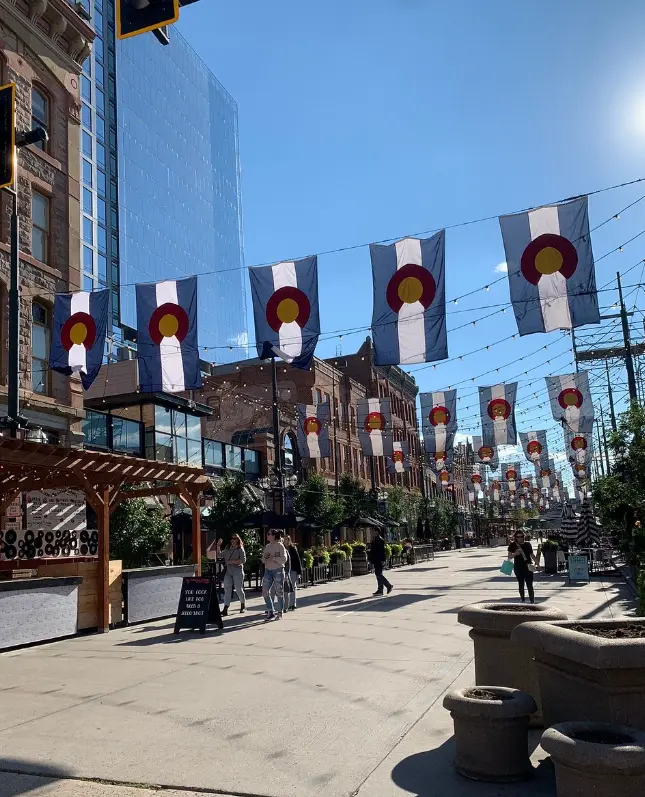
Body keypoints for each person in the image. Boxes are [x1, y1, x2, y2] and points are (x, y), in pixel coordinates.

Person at [217, 535, 247, 616]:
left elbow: (243, 560)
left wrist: (231, 561)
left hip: (238, 571)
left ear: (238, 540)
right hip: (229, 571)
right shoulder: (228, 549)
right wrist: (218, 546)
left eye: (234, 539)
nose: (232, 540)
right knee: (227, 589)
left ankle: (243, 605)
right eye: (231, 538)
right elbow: (219, 555)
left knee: (238, 589)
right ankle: (225, 608)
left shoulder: (240, 549)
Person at [262, 529, 288, 620]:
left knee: (279, 591)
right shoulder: (267, 546)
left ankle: (280, 612)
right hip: (268, 570)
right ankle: (270, 611)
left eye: (269, 534)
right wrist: (266, 557)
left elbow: (284, 559)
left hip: (278, 570)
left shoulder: (280, 545)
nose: (267, 535)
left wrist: (274, 558)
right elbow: (263, 559)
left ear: (273, 536)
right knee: (265, 591)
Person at [508, 530, 537, 603]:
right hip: (518, 567)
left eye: (521, 536)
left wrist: (537, 564)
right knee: (521, 584)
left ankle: (532, 601)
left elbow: (532, 555)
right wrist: (515, 553)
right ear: (515, 537)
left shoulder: (528, 544)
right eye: (518, 537)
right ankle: (523, 599)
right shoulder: (512, 545)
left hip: (528, 566)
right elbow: (509, 557)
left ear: (524, 537)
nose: (520, 538)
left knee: (529, 584)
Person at [369, 531, 393, 596]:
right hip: (376, 559)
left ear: (376, 532)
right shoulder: (375, 539)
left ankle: (388, 585)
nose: (372, 532)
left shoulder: (379, 540)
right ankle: (380, 590)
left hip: (378, 559)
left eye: (373, 531)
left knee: (378, 574)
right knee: (378, 574)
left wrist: (382, 559)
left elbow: (381, 551)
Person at [284, 535, 302, 611]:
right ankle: (286, 604)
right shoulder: (282, 549)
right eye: (285, 540)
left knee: (293, 586)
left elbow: (298, 560)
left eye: (287, 540)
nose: (286, 541)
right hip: (285, 570)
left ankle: (293, 604)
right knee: (286, 588)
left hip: (293, 570)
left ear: (289, 540)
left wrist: (299, 572)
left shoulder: (293, 549)